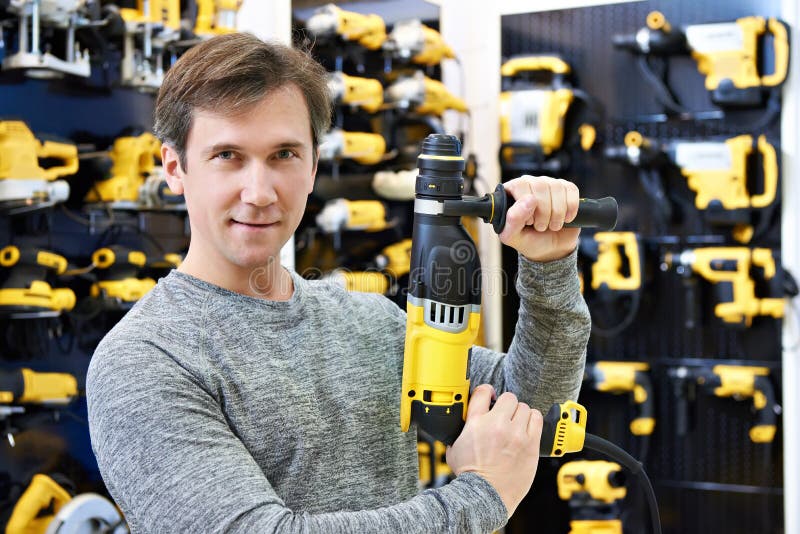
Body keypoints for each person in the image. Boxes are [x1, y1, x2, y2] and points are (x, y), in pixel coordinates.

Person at [86, 32, 590, 533]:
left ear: (313, 167)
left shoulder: (368, 322)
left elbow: (533, 411)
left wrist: (549, 265)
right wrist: (482, 496)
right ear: (174, 167)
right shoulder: (143, 359)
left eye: (284, 154)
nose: (259, 192)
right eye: (228, 156)